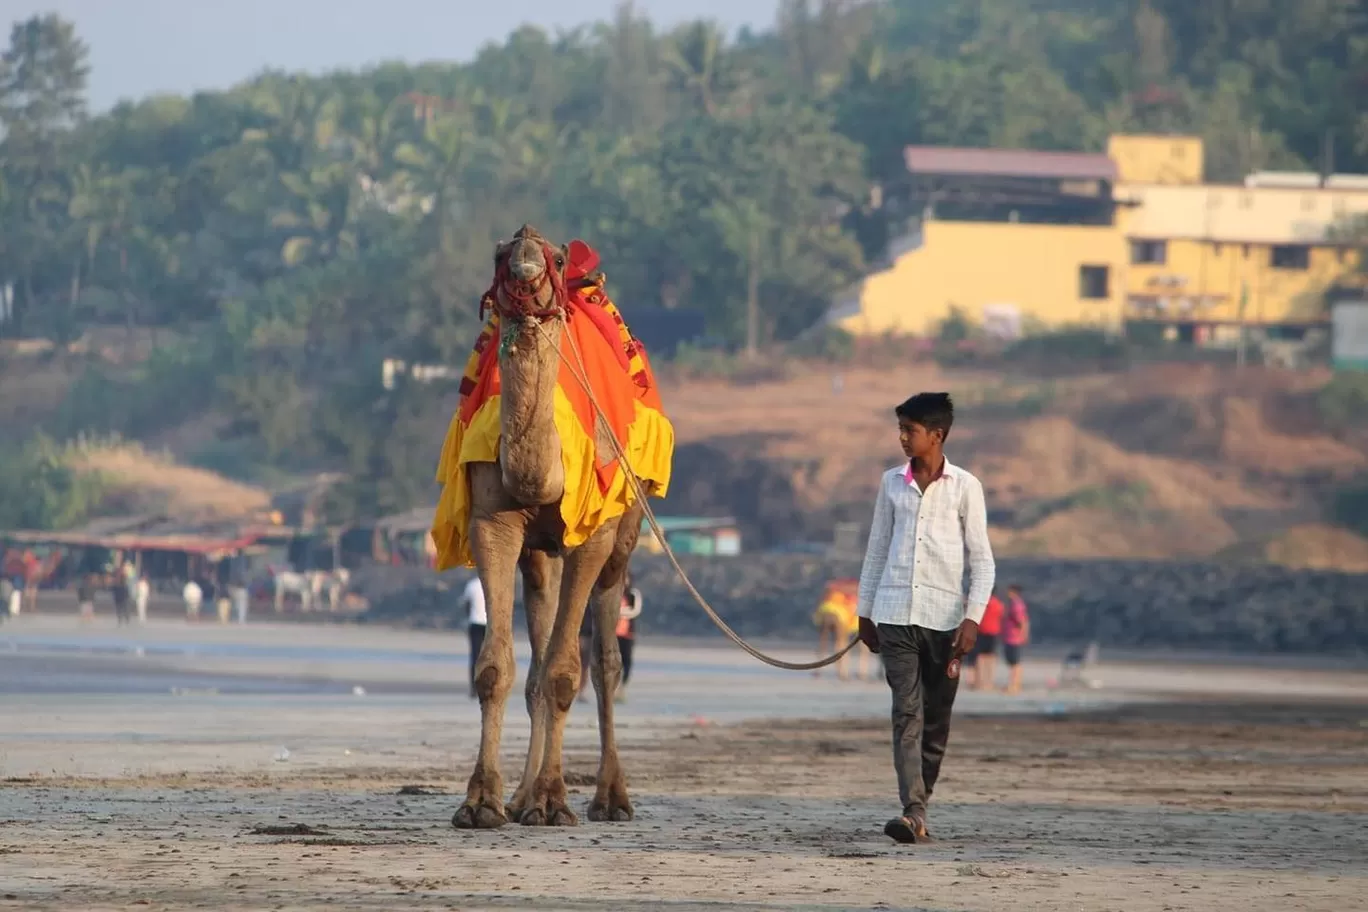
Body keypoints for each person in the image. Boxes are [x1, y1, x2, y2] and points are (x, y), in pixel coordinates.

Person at [855, 392, 995, 845]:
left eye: (909, 430)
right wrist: (864, 612)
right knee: (906, 714)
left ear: (937, 435)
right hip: (895, 615)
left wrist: (973, 618)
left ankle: (921, 805)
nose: (902, 438)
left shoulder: (965, 487)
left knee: (936, 720)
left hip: (946, 621)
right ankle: (912, 811)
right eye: (900, 429)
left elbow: (983, 560)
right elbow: (877, 549)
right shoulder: (890, 483)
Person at [967, 589, 1004, 691]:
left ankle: (979, 682)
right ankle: (989, 682)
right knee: (990, 658)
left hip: (981, 632)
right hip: (994, 632)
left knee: (980, 657)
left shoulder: (983, 603)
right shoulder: (999, 604)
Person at [615, 574, 643, 703]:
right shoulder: (613, 593)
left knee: (627, 662)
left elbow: (635, 610)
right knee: (614, 663)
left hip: (627, 634)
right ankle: (613, 690)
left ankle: (622, 687)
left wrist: (618, 611)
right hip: (613, 634)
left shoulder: (633, 594)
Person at [460, 574, 486, 699]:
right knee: (489, 657)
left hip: (475, 622)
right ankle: (487, 687)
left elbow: (466, 604)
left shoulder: (472, 585)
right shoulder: (493, 582)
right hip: (490, 623)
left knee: (475, 656)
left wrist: (468, 617)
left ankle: (473, 689)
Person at [1002, 584, 1031, 695]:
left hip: (1014, 637)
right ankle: (1014, 684)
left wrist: (1023, 634)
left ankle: (1014, 685)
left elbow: (1022, 621)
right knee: (1013, 662)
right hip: (1011, 637)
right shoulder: (1016, 604)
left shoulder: (1016, 605)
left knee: (1015, 663)